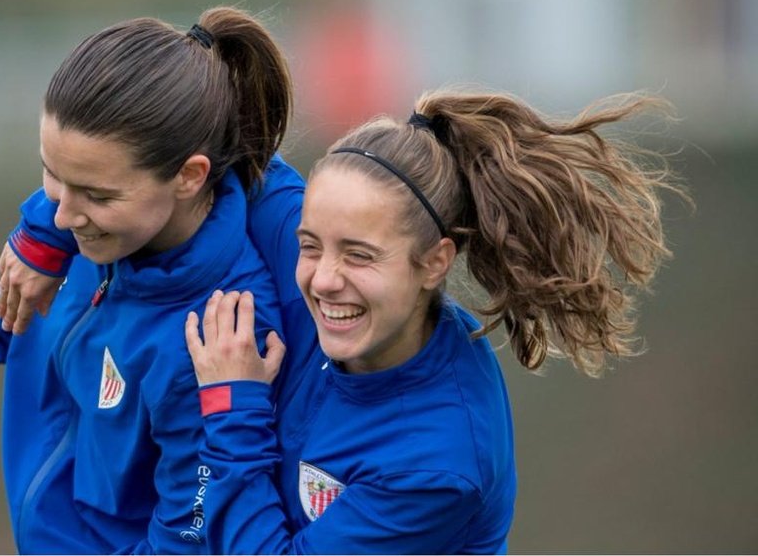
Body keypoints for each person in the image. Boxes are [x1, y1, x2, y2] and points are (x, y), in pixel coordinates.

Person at [184, 90, 688, 554]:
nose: (324, 280)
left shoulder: (436, 461)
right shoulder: (341, 277)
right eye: (310, 245)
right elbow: (202, 140)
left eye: (360, 256)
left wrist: (231, 403)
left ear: (434, 263)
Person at [0, 7, 300, 554]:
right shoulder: (95, 229)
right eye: (51, 176)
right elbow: (23, 282)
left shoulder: (216, 337)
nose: (59, 217)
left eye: (95, 195)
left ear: (190, 176)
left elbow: (186, 533)